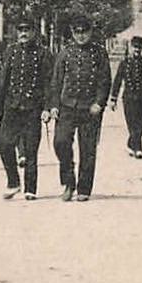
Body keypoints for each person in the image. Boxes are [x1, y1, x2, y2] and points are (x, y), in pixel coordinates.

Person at [47, 15, 112, 201]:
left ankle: (84, 188)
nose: (81, 36)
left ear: (90, 32)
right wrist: (53, 105)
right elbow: (56, 81)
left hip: (90, 108)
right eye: (77, 32)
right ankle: (68, 182)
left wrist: (99, 103)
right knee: (60, 142)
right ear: (73, 33)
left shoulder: (99, 52)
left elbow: (105, 80)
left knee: (88, 149)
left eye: (84, 32)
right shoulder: (65, 53)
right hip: (67, 106)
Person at [0, 18, 52, 199]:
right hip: (12, 107)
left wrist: (46, 108)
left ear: (34, 32)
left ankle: (30, 188)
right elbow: (3, 82)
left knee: (30, 149)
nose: (23, 33)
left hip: (32, 108)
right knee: (4, 144)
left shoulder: (43, 53)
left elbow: (48, 84)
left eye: (27, 30)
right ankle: (13, 182)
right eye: (20, 30)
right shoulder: (11, 52)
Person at [110, 35, 142, 158]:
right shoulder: (124, 63)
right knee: (131, 123)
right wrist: (113, 98)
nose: (136, 50)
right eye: (134, 47)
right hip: (128, 98)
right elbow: (117, 81)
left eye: (139, 47)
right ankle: (138, 148)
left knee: (141, 123)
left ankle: (131, 144)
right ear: (130, 48)